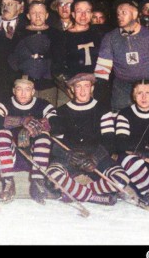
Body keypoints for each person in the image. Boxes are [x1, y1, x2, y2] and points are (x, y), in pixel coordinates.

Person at [46, 73, 125, 206]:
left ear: (92, 88)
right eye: (78, 87)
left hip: (94, 158)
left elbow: (109, 140)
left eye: (86, 86)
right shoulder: (61, 111)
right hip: (71, 157)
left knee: (121, 179)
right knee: (52, 175)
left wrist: (95, 158)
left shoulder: (103, 110)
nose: (82, 91)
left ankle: (76, 192)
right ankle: (92, 196)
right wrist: (68, 154)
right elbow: (55, 143)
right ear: (72, 89)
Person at [0, 78, 58, 203]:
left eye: (27, 89)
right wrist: (22, 121)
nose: (23, 93)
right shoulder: (4, 104)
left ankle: (37, 183)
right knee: (0, 133)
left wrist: (35, 126)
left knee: (44, 136)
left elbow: (58, 123)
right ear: (14, 91)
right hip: (10, 155)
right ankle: (8, 183)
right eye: (19, 89)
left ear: (33, 91)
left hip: (35, 155)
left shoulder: (44, 105)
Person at [95, 0, 149, 110]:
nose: (119, 16)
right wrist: (98, 100)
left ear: (135, 14)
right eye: (118, 13)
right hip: (122, 87)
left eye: (124, 13)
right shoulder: (110, 38)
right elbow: (102, 71)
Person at [8, 1, 63, 106]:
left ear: (46, 15)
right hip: (25, 85)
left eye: (41, 13)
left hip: (48, 85)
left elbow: (58, 58)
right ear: (28, 16)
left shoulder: (56, 34)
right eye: (34, 13)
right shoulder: (20, 34)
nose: (38, 16)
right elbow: (13, 58)